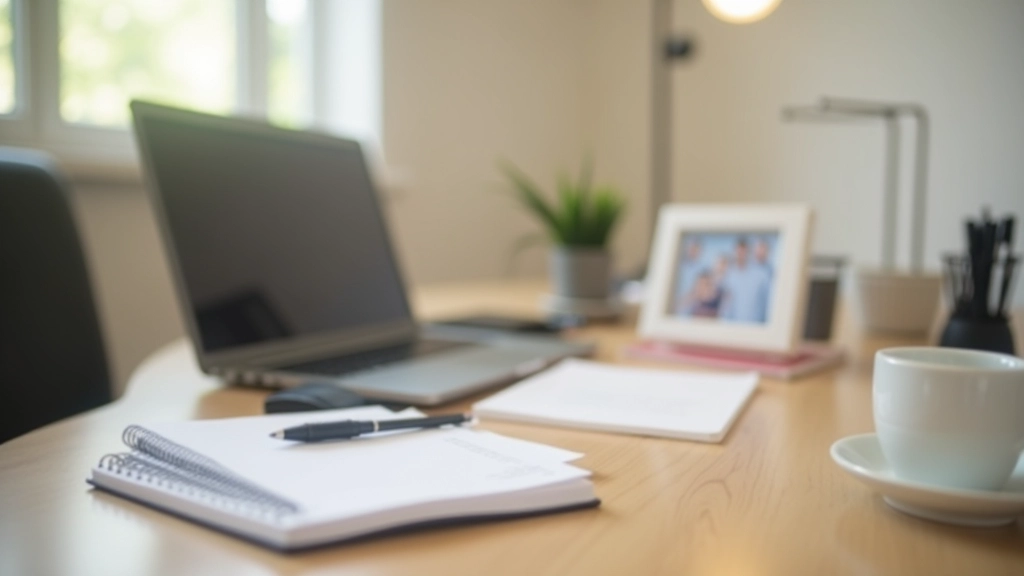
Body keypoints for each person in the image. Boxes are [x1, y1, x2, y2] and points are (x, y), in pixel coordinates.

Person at [719, 237, 771, 323]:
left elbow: (768, 303)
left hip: (755, 326)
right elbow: (725, 305)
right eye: (738, 252)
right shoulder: (728, 276)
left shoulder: (761, 275)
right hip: (733, 326)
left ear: (749, 252)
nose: (740, 255)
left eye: (743, 252)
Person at [672, 239, 703, 315]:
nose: (693, 251)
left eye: (695, 249)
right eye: (691, 249)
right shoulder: (679, 266)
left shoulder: (702, 269)